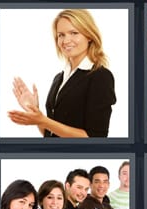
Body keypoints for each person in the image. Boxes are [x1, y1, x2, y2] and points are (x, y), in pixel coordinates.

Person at [8, 9, 116, 137]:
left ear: (89, 36)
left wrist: (43, 120)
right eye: (61, 35)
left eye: (74, 33)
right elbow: (50, 134)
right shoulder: (59, 78)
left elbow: (96, 137)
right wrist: (36, 112)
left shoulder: (100, 76)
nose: (66, 40)